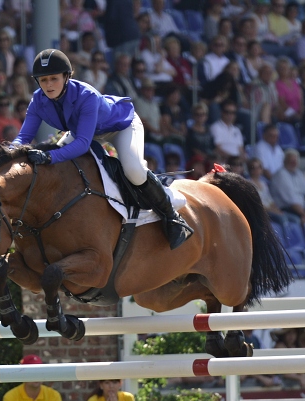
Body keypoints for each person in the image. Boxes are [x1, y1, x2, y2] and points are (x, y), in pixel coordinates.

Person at [13, 49, 191, 250]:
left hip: (120, 126)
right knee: (58, 169)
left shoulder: (85, 95)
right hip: (84, 131)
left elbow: (81, 143)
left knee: (134, 171)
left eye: (54, 78)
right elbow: (23, 137)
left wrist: (47, 155)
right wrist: (7, 154)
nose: (48, 85)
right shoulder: (38, 100)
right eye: (43, 80)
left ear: (67, 77)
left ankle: (172, 216)